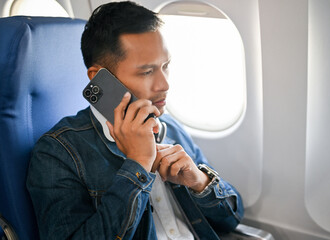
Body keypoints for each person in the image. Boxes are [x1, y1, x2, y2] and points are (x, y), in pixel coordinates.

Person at [26, 1, 244, 239]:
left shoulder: (171, 128)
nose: (164, 85)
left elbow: (232, 219)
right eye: (147, 72)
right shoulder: (58, 152)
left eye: (166, 66)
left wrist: (200, 182)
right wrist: (138, 165)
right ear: (99, 78)